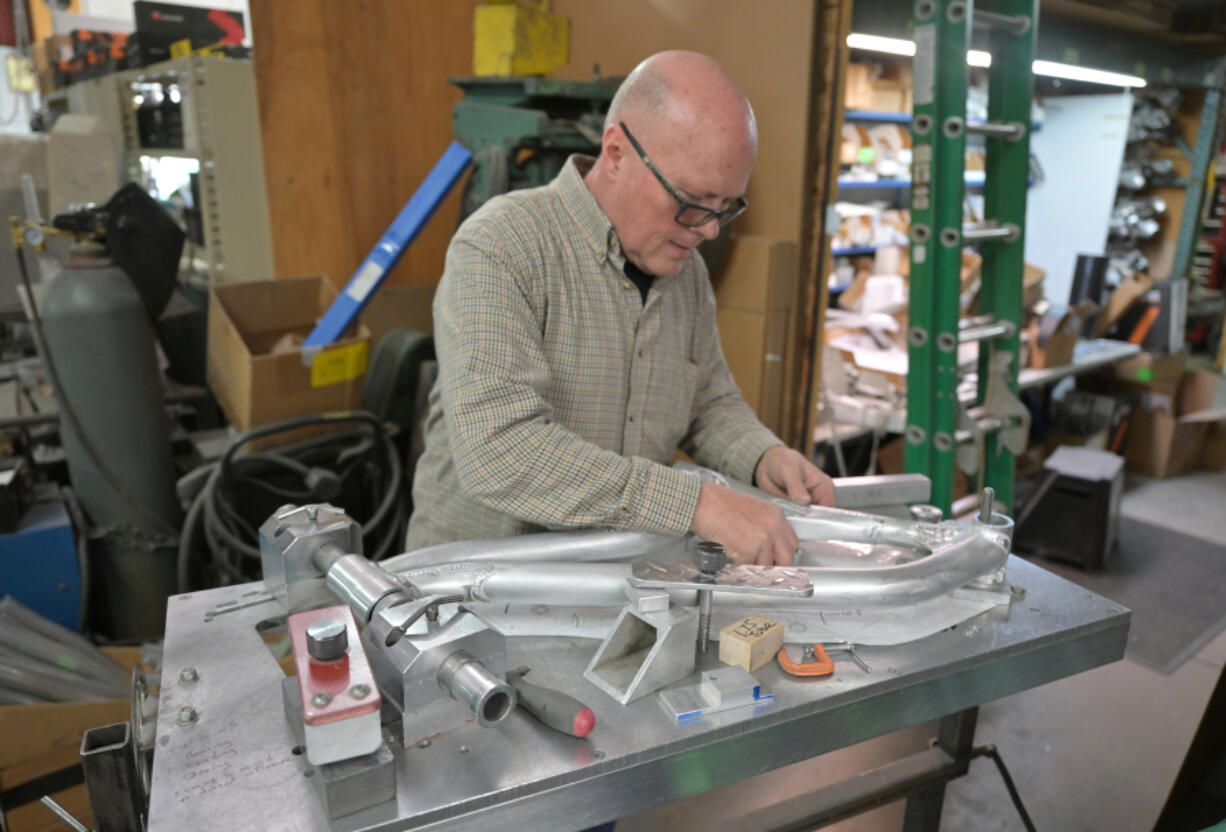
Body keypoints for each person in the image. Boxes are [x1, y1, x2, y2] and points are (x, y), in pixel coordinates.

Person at [406, 50, 834, 566]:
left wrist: (764, 455)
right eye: (693, 201)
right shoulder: (502, 245)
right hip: (479, 593)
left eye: (726, 208)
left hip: (609, 585)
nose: (708, 230)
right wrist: (694, 503)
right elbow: (500, 451)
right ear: (616, 153)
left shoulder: (686, 274)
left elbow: (708, 403)